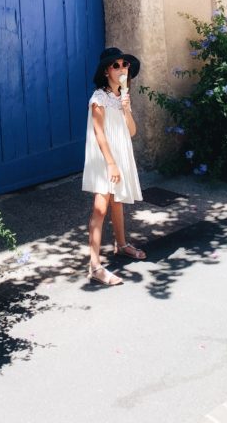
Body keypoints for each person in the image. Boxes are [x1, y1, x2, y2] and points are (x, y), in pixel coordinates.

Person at [82, 46, 145, 286]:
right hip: (104, 158)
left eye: (124, 65)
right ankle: (95, 266)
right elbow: (99, 134)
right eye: (116, 65)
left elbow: (131, 131)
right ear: (106, 71)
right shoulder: (99, 98)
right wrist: (111, 164)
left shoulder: (121, 98)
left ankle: (121, 244)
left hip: (119, 155)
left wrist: (127, 110)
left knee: (117, 201)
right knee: (100, 208)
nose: (121, 69)